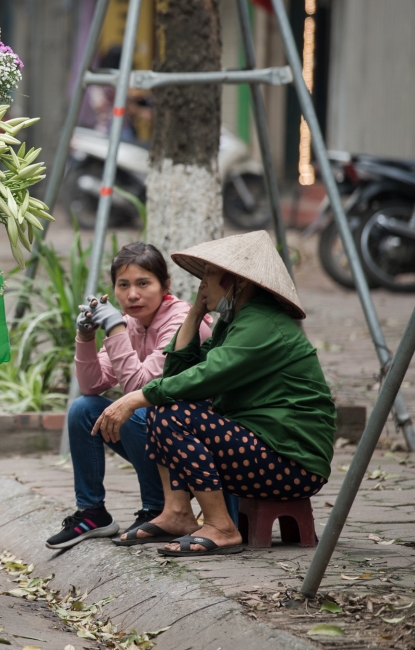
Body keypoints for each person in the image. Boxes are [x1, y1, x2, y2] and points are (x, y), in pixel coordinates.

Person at [91, 231, 336, 556]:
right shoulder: (233, 321)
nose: (202, 286)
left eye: (209, 278)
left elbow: (205, 376)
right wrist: (194, 313)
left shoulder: (261, 324)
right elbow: (178, 373)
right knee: (163, 407)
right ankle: (177, 513)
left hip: (292, 461)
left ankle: (222, 527)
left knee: (171, 414)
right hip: (263, 448)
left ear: (239, 282)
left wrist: (136, 397)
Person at [45, 242, 212, 550]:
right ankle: (92, 513)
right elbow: (91, 386)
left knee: (138, 410)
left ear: (166, 286)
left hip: (199, 446)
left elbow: (142, 388)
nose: (132, 294)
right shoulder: (131, 323)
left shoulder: (182, 321)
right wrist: (85, 337)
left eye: (143, 283)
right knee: (84, 409)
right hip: (162, 438)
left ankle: (156, 508)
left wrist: (115, 328)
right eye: (123, 285)